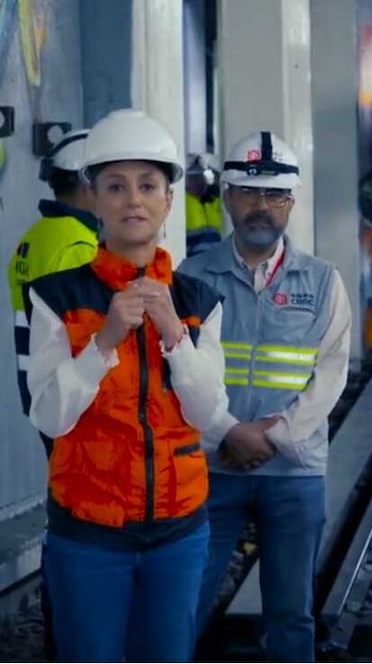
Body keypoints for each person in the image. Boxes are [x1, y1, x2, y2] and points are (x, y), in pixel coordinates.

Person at [24, 108, 230, 662]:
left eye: (147, 185)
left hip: (179, 534)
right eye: (115, 186)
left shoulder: (198, 303)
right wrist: (105, 339)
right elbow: (49, 417)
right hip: (88, 534)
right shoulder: (55, 297)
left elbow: (208, 412)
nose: (132, 200)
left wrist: (173, 337)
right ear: (94, 198)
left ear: (167, 201)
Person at [184, 130, 351, 662]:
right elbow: (178, 370)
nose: (262, 207)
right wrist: (227, 432)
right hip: (212, 466)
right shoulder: (191, 276)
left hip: (294, 471)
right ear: (229, 196)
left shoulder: (322, 281)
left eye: (276, 196)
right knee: (184, 601)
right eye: (250, 194)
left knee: (290, 613)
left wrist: (272, 436)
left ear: (292, 204)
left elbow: (331, 373)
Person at [9, 129, 99, 431]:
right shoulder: (80, 246)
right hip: (76, 402)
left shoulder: (33, 238)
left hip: (43, 390)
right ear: (88, 183)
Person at [185, 152, 224, 256]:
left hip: (218, 260)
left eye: (199, 177)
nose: (197, 182)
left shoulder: (214, 200)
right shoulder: (182, 204)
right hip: (193, 262)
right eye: (192, 178)